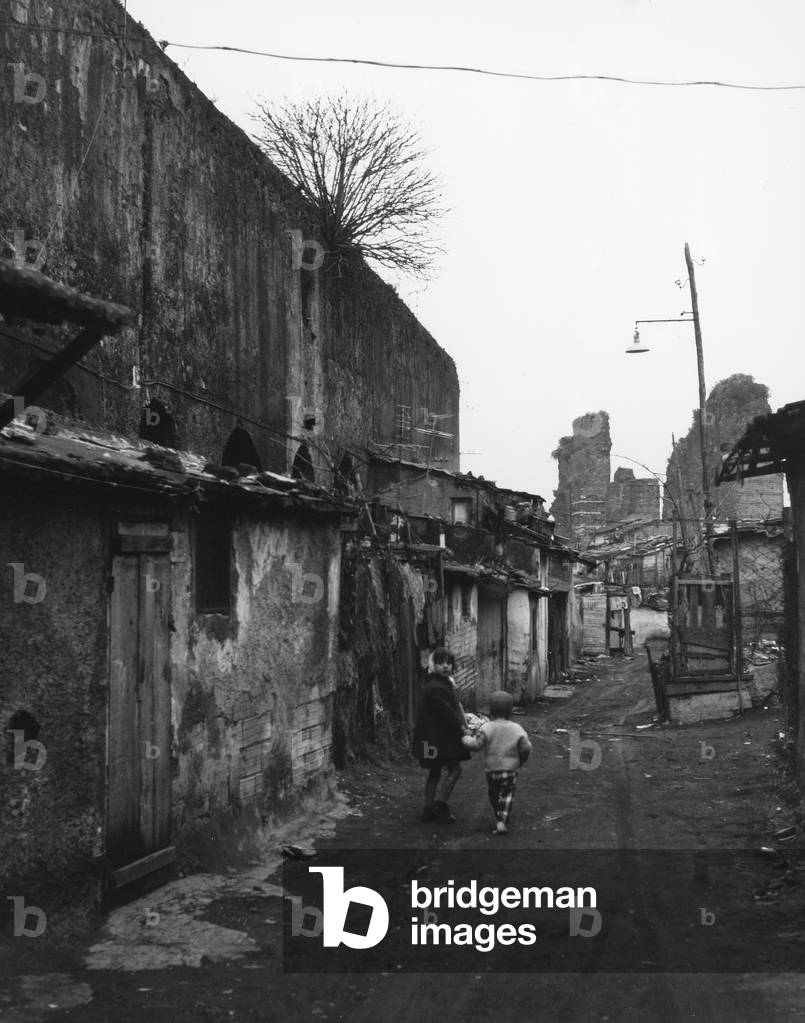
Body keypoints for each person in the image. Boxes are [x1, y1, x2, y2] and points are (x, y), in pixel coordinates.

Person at [412, 647, 470, 823]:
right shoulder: (436, 687)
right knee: (455, 769)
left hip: (432, 737)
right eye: (440, 663)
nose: (445, 666)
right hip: (439, 738)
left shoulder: (441, 683)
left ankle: (428, 808)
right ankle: (440, 805)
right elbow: (447, 712)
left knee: (435, 771)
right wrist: (462, 729)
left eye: (449, 663)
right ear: (433, 665)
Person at [462, 690, 532, 835]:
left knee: (493, 794)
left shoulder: (487, 727)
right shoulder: (516, 729)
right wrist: (522, 759)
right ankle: (502, 820)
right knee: (507, 794)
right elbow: (526, 747)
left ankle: (499, 814)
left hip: (492, 770)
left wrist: (465, 739)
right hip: (510, 770)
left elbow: (476, 745)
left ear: (491, 711)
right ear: (511, 711)